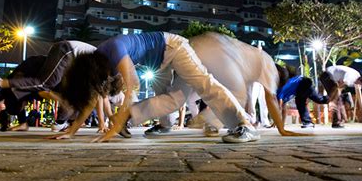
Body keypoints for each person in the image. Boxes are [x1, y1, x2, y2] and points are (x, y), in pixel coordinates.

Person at [52, 32, 262, 143]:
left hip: (173, 47)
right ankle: (155, 124)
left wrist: (114, 126)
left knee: (204, 82)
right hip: (160, 61)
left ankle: (245, 124)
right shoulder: (99, 63)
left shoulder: (114, 50)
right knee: (175, 98)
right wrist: (72, 131)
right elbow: (93, 97)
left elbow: (133, 83)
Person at [142, 32, 299, 137]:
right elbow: (271, 99)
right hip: (217, 52)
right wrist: (282, 129)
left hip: (197, 45)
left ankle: (163, 124)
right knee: (237, 95)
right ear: (279, 76)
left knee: (176, 97)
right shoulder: (270, 64)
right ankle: (211, 122)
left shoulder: (251, 57)